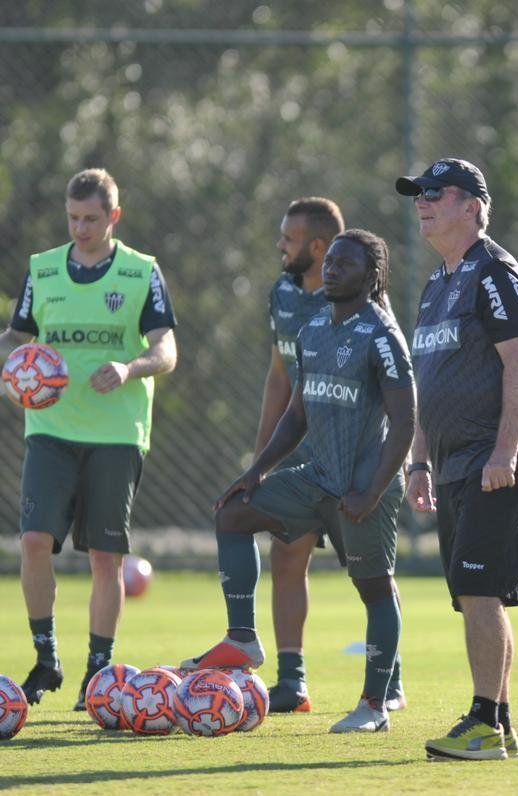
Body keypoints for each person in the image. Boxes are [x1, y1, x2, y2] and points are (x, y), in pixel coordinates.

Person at [181, 229, 413, 733]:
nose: (330, 270)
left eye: (344, 265)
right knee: (233, 512)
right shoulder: (312, 331)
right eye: (329, 262)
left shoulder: (382, 335)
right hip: (317, 480)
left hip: (363, 490)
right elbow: (297, 415)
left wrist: (372, 491)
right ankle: (242, 638)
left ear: (372, 277)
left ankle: (375, 705)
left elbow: (407, 421)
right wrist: (257, 469)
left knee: (374, 590)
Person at [0, 168, 178, 709]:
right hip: (51, 428)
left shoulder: (141, 272)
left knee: (104, 557)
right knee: (35, 542)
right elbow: (19, 333)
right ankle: (46, 660)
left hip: (116, 433)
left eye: (91, 219)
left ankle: (98, 673)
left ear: (114, 216)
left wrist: (129, 369)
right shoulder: (42, 269)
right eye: (72, 218)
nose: (80, 228)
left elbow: (166, 350)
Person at [395, 158, 518, 761]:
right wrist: (419, 462)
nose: (423, 202)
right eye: (418, 195)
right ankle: (498, 725)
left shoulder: (494, 273)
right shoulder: (437, 282)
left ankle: (484, 719)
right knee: (473, 592)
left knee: (480, 591)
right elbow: (427, 382)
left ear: (472, 207)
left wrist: (505, 451)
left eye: (437, 193)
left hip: (496, 460)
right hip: (454, 463)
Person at [253, 198, 404, 715]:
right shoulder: (284, 298)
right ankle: (290, 680)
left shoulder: (370, 315)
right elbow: (281, 381)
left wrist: (404, 468)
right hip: (308, 459)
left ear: (318, 246)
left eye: (289, 238)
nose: (281, 246)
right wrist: (261, 462)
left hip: (356, 467)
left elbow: (402, 404)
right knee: (284, 553)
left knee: (371, 577)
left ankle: (388, 684)